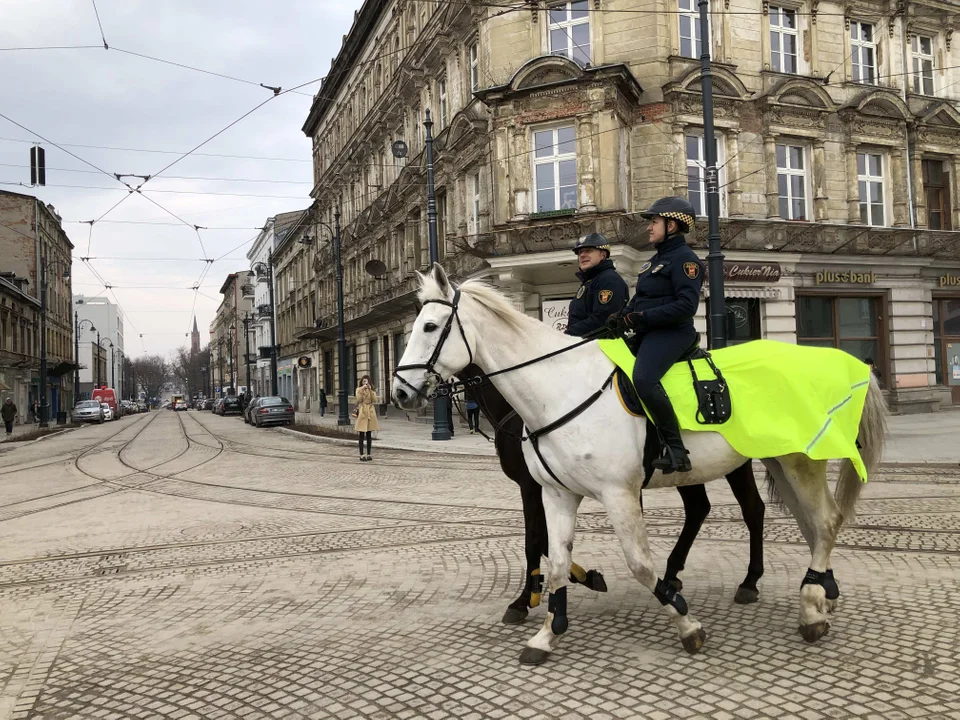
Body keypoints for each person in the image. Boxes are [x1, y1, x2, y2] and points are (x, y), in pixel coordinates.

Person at [607, 196, 704, 474]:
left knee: (643, 379)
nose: (649, 227)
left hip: (672, 334)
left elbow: (687, 305)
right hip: (648, 333)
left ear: (672, 225)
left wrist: (643, 318)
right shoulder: (655, 261)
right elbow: (643, 299)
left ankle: (676, 449)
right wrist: (622, 314)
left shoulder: (686, 260)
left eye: (654, 222)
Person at [565, 233, 629, 337]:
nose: (582, 255)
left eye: (589, 251)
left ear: (603, 255)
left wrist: (568, 334)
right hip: (587, 345)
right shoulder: (591, 281)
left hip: (603, 347)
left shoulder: (609, 280)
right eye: (580, 252)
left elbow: (603, 319)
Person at [354, 375, 379, 461]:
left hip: (370, 412)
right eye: (363, 381)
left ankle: (369, 454)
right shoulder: (358, 389)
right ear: (361, 382)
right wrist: (362, 389)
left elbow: (375, 400)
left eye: (366, 381)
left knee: (369, 434)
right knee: (361, 434)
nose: (365, 383)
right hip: (362, 412)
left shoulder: (371, 389)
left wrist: (371, 390)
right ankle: (361, 454)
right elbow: (359, 399)